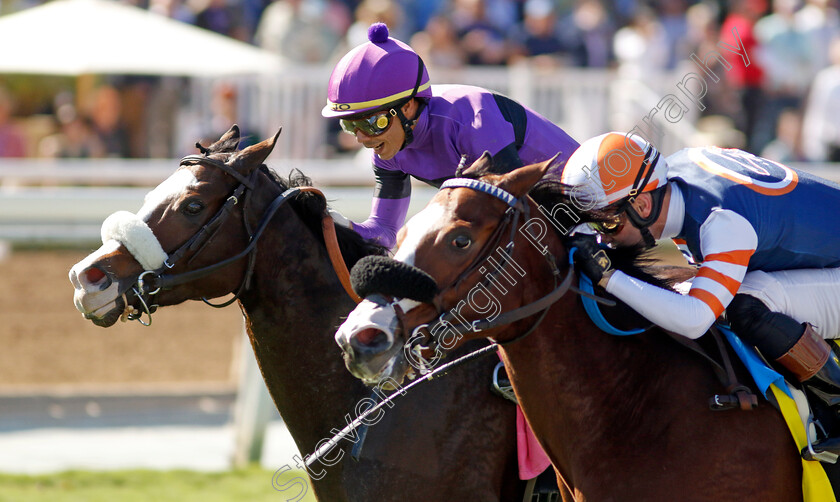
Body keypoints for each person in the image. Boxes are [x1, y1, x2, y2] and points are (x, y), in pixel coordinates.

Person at [562, 131, 840, 454]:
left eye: (608, 224)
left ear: (642, 204)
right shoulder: (677, 172)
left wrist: (608, 277)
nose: (605, 240)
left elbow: (695, 318)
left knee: (745, 303)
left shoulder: (721, 222)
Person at [321, 22, 580, 249]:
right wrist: (337, 224)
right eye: (349, 125)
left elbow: (520, 221)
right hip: (538, 218)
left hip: (582, 201)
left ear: (408, 106)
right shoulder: (387, 149)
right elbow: (384, 234)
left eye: (370, 123)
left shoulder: (471, 122)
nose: (361, 138)